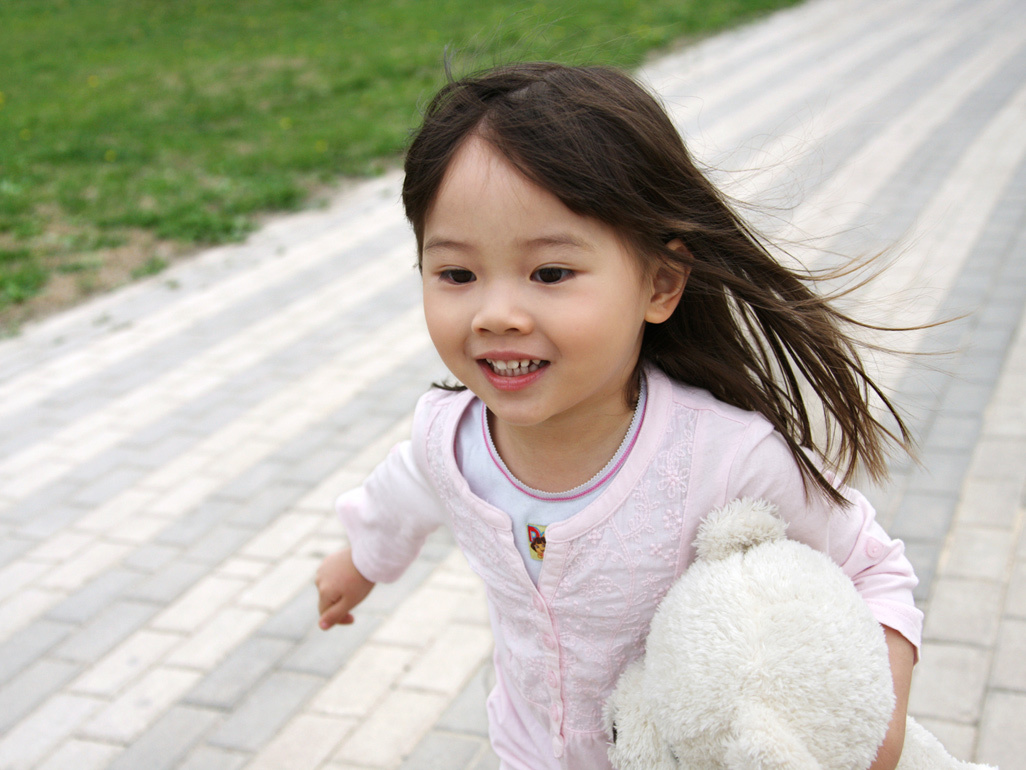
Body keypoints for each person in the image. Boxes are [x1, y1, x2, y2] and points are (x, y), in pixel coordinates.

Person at [315, 62, 921, 770]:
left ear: (660, 284)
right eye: (456, 274)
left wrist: (879, 726)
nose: (496, 314)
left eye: (550, 274)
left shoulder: (724, 457)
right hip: (527, 750)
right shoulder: (447, 441)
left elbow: (873, 571)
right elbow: (401, 492)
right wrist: (359, 560)